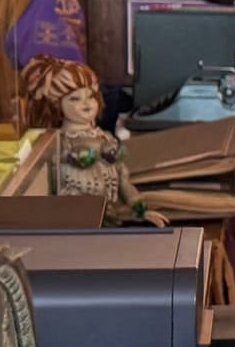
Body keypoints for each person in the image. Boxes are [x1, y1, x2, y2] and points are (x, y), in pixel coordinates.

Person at [19, 56, 166, 228]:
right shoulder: (58, 143)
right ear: (56, 104)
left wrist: (140, 210)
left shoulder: (106, 139)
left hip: (108, 217)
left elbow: (123, 180)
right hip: (73, 222)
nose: (87, 104)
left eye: (90, 96)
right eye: (74, 99)